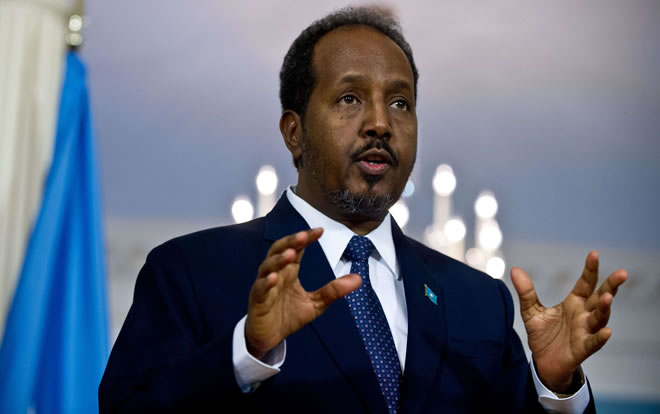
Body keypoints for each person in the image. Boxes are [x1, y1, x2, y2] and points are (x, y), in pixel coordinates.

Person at [99, 6, 627, 413]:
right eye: (350, 98)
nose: (380, 123)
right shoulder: (191, 272)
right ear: (294, 132)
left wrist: (557, 386)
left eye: (400, 103)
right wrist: (247, 351)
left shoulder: (478, 301)